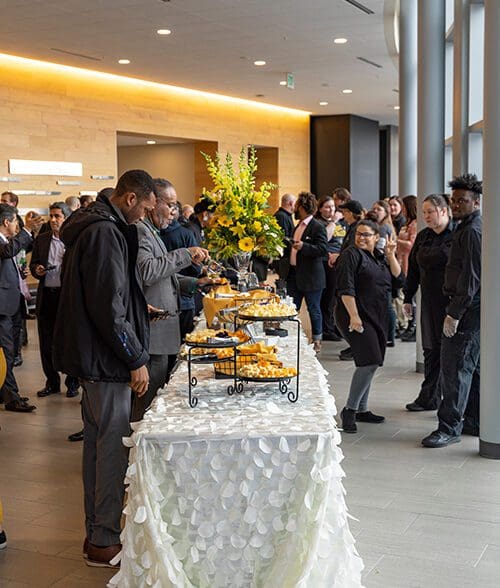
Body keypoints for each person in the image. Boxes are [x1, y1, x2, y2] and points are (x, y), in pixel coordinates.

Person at [53, 170, 156, 566]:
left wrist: (138, 310)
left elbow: (106, 296)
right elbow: (107, 308)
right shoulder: (105, 232)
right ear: (129, 198)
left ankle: (96, 532)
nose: (145, 216)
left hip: (94, 358)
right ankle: (103, 539)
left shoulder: (96, 226)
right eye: (145, 208)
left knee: (98, 448)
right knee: (110, 450)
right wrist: (135, 357)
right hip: (106, 360)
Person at [132, 194, 209, 421]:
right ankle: (139, 449)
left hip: (164, 329)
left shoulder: (152, 231)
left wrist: (197, 282)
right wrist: (185, 253)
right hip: (154, 330)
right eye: (170, 205)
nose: (173, 212)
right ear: (154, 203)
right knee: (147, 403)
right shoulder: (141, 230)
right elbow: (148, 271)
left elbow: (165, 278)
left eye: (176, 206)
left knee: (156, 395)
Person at [422, 174, 482, 448]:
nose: (456, 205)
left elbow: (470, 278)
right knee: (470, 367)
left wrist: (454, 313)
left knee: (454, 369)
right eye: (454, 200)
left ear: (476, 202)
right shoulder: (466, 226)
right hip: (471, 308)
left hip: (467, 310)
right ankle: (472, 420)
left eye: (462, 201)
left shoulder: (471, 231)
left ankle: (449, 427)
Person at [335, 220, 403, 433]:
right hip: (355, 315)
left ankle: (362, 409)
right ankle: (350, 409)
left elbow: (399, 279)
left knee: (370, 361)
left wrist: (392, 255)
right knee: (370, 361)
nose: (361, 238)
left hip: (377, 316)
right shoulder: (350, 255)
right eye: (358, 234)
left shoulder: (380, 256)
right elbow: (346, 288)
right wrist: (354, 317)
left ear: (376, 237)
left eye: (366, 235)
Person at [404, 194, 455, 412]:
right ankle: (429, 396)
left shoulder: (456, 235)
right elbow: (414, 269)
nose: (426, 216)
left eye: (430, 212)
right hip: (429, 302)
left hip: (450, 304)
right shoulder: (424, 236)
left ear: (443, 211)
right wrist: (408, 297)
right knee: (431, 350)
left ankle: (451, 403)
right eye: (423, 212)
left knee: (449, 354)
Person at [30, 202, 80, 398]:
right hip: (47, 295)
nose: (53, 220)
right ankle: (52, 382)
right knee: (46, 342)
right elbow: (34, 263)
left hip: (66, 297)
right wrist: (37, 270)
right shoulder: (42, 240)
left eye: (57, 216)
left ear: (66, 218)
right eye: (51, 216)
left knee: (69, 340)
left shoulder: (74, 240)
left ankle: (73, 382)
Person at [0, 205, 40, 412]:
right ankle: (11, 398)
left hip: (9, 305)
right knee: (5, 353)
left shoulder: (6, 241)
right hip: (2, 309)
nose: (17, 226)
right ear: (6, 222)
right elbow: (7, 252)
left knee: (8, 352)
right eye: (16, 221)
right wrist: (27, 231)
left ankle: (7, 393)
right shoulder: (2, 242)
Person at [286, 191, 328, 353]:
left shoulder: (317, 226)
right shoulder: (298, 226)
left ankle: (317, 340)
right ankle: (292, 338)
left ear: (302, 207)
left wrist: (304, 247)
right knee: (291, 308)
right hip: (294, 275)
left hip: (312, 277)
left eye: (296, 206)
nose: (294, 209)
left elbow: (323, 249)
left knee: (314, 309)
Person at [315, 195, 345, 341]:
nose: (331, 210)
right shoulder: (318, 223)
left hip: (340, 260)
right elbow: (324, 238)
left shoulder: (340, 222)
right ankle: (326, 329)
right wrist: (333, 222)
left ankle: (335, 326)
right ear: (320, 209)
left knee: (336, 297)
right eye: (327, 207)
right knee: (328, 297)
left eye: (333, 207)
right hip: (326, 262)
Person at [397, 195, 418, 342]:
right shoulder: (408, 223)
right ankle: (409, 325)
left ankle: (412, 326)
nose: (402, 209)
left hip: (409, 263)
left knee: (413, 297)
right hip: (402, 261)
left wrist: (395, 239)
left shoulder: (415, 224)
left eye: (403, 206)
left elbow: (412, 245)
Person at [272, 193, 296, 282]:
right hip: (284, 259)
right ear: (291, 203)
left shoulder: (285, 216)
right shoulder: (282, 216)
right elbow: (284, 239)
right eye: (295, 203)